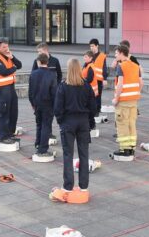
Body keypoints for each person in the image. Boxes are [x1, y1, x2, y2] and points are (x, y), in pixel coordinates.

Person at [51, 58, 97, 202]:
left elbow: (57, 108)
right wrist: (90, 122)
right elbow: (93, 107)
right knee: (84, 154)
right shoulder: (86, 86)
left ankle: (68, 186)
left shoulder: (63, 86)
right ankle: (84, 186)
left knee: (68, 154)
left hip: (68, 123)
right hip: (83, 122)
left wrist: (61, 121)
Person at [0, 37, 22, 144]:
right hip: (2, 89)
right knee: (4, 113)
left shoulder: (8, 55)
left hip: (11, 87)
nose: (6, 48)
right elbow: (4, 72)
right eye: (3, 47)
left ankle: (10, 134)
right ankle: (3, 137)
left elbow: (20, 65)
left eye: (7, 46)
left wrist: (12, 57)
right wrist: (14, 68)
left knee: (13, 112)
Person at [112, 45, 143, 158]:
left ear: (121, 53)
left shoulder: (121, 66)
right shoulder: (136, 66)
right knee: (131, 124)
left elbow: (120, 84)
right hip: (133, 101)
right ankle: (131, 148)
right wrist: (135, 93)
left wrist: (116, 99)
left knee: (122, 125)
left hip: (123, 101)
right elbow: (141, 83)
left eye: (116, 53)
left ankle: (124, 149)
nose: (115, 56)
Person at [28, 53, 57, 158]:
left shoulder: (33, 74)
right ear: (47, 62)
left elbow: (30, 91)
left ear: (38, 62)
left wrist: (32, 103)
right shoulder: (52, 74)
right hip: (48, 104)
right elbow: (54, 92)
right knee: (46, 126)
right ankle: (43, 149)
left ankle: (38, 143)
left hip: (37, 103)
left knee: (39, 124)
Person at [89, 38, 108, 115]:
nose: (91, 48)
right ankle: (92, 109)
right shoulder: (89, 55)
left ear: (97, 46)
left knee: (98, 95)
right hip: (91, 79)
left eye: (93, 46)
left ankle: (97, 110)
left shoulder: (102, 56)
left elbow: (104, 68)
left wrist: (105, 79)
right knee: (90, 95)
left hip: (99, 80)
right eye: (90, 46)